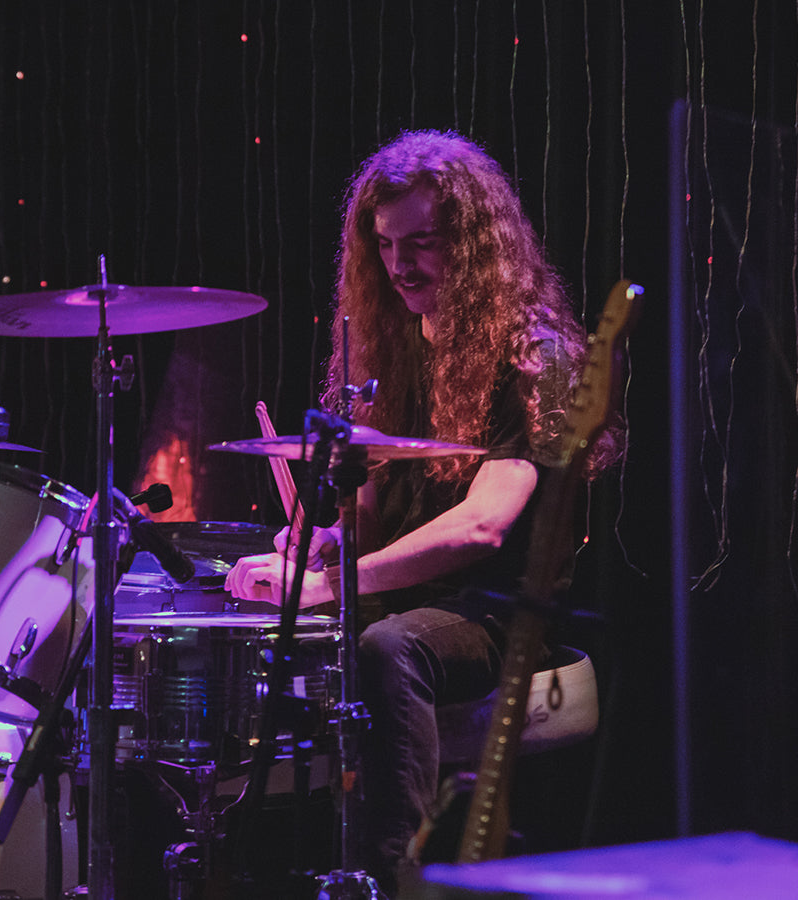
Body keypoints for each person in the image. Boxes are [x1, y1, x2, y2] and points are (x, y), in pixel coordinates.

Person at [224, 129, 620, 892]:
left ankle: (397, 878)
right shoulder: (394, 352)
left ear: (474, 246)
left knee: (387, 648)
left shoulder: (536, 358)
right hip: (404, 598)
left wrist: (339, 582)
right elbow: (372, 522)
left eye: (424, 243)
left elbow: (483, 525)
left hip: (499, 613)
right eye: (384, 245)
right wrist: (311, 552)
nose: (400, 266)